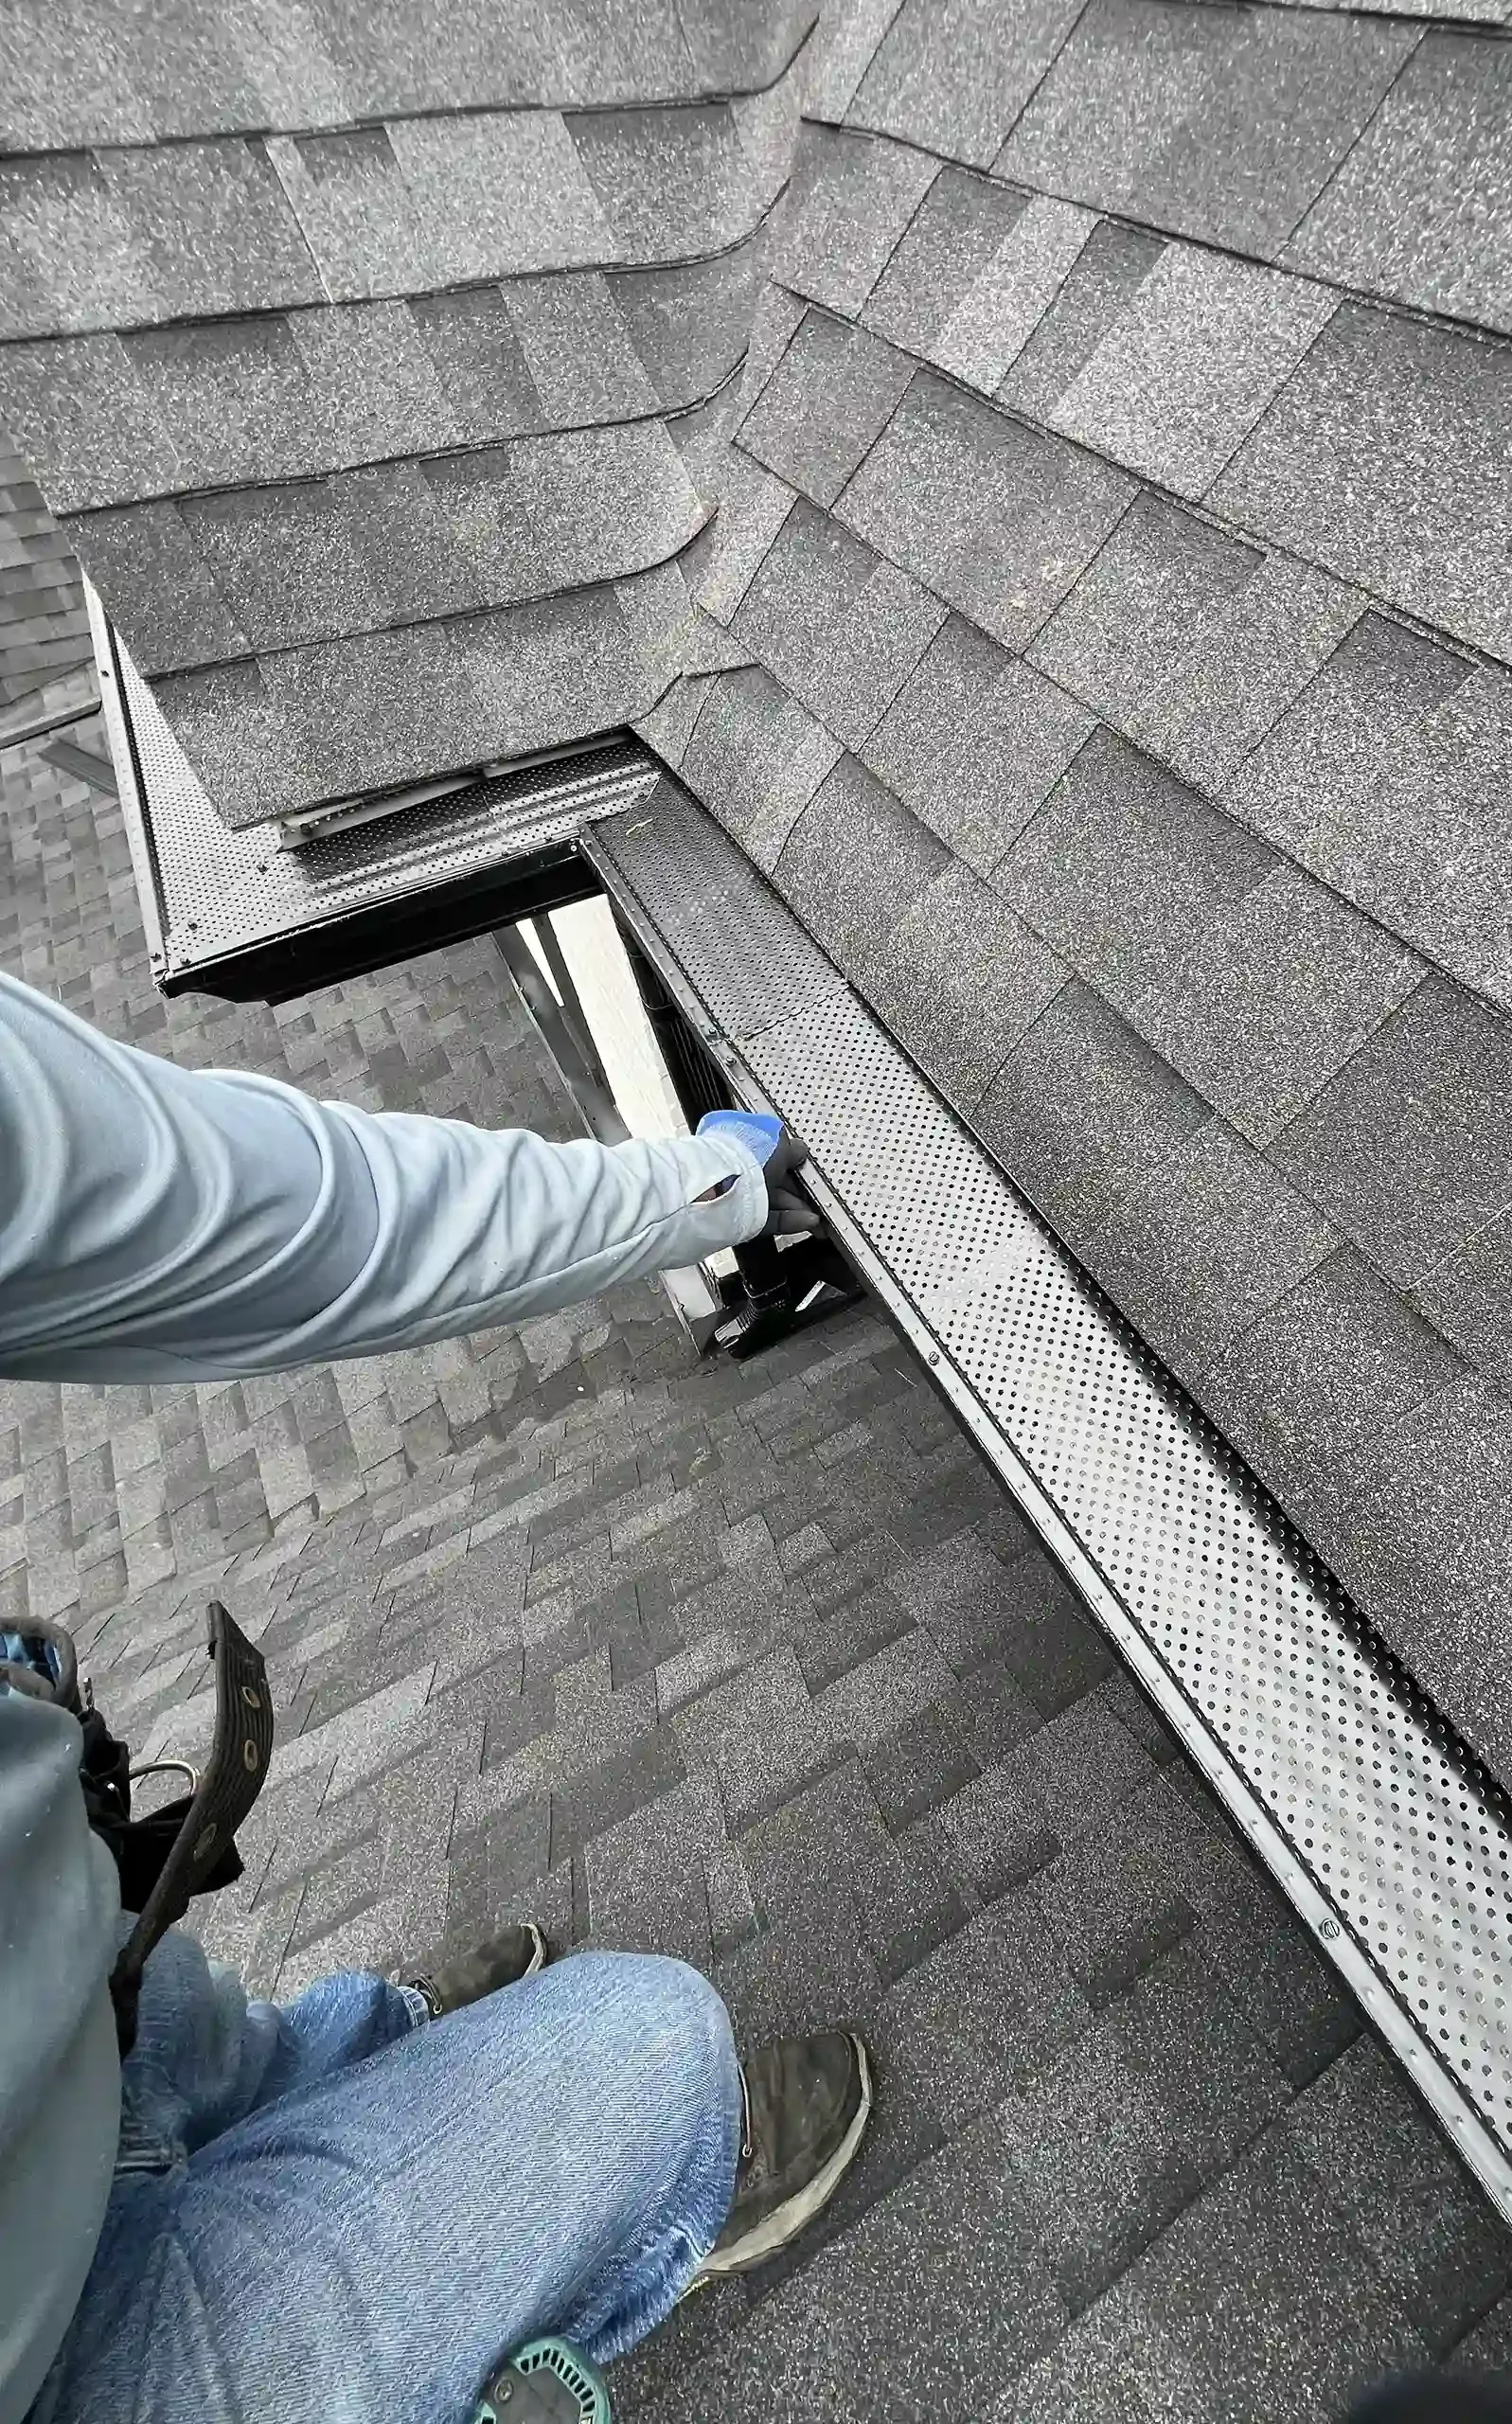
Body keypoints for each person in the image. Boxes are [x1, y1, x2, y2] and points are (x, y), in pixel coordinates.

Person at [0, 968, 869, 2424]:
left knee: (188, 2027)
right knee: (655, 2047)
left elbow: (253, 1205)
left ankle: (362, 2058)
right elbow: (277, 1213)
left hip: (70, 2015)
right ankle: (665, 2188)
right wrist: (719, 1180)